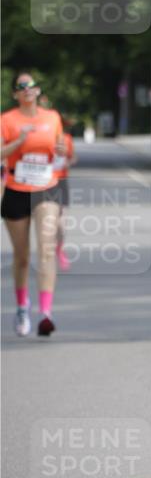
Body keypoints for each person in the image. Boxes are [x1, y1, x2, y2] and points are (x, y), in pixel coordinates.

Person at [1, 73, 65, 336]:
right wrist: (19, 141)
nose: (28, 89)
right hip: (16, 188)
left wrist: (61, 151)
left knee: (47, 248)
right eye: (22, 86)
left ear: (38, 91)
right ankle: (21, 306)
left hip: (45, 188)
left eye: (32, 85)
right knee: (22, 256)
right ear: (16, 94)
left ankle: (46, 313)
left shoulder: (52, 118)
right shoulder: (7, 120)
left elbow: (60, 152)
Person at [53, 117, 77, 271]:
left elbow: (73, 157)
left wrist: (69, 162)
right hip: (42, 183)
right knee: (46, 222)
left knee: (61, 223)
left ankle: (59, 249)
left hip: (61, 182)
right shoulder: (41, 138)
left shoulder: (67, 139)